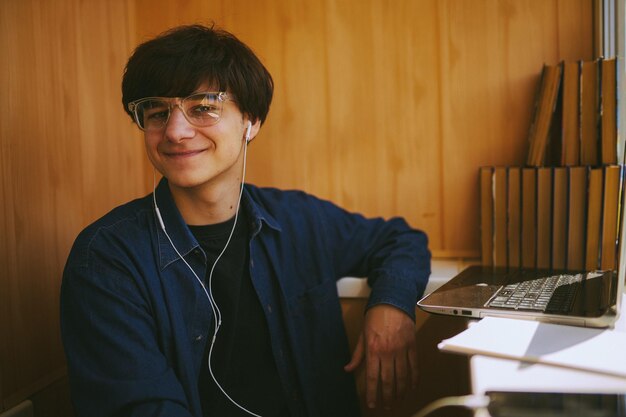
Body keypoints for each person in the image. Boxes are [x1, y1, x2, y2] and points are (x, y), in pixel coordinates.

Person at [60, 24, 430, 417]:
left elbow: (400, 240)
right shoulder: (106, 259)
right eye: (157, 112)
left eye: (202, 107)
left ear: (251, 121)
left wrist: (391, 307)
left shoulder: (298, 220)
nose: (176, 131)